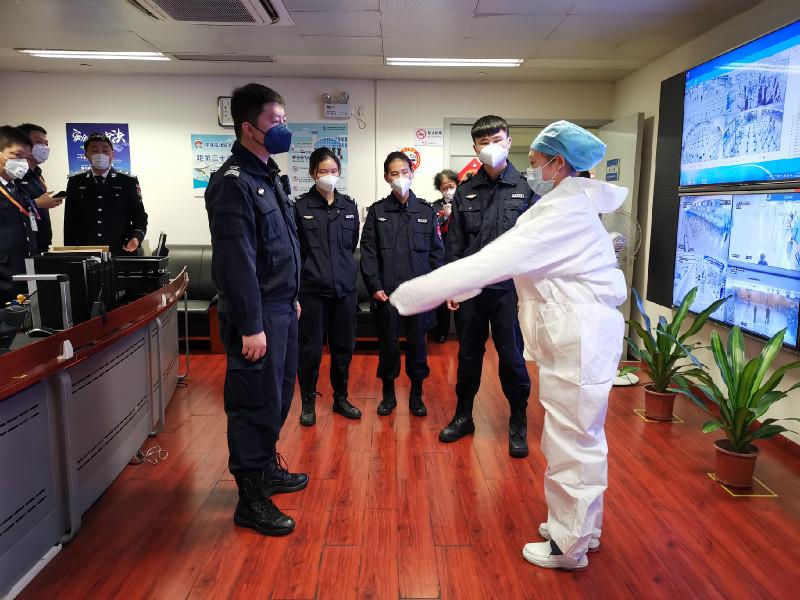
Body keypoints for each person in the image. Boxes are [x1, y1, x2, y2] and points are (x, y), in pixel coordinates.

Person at [390, 120, 626, 571]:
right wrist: (463, 287)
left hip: (580, 339)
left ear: (559, 163)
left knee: (572, 441)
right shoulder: (565, 204)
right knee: (581, 436)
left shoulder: (563, 213)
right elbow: (492, 258)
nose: (531, 169)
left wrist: (412, 295)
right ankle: (581, 528)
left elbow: (493, 259)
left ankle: (569, 546)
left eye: (536, 162)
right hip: (579, 338)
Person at [205, 83, 306, 537]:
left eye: (284, 119)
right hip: (257, 315)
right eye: (275, 121)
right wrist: (250, 325)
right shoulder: (233, 183)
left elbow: (282, 245)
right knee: (252, 403)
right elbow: (237, 260)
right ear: (249, 127)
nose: (283, 128)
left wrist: (293, 294)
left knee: (279, 396)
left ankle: (265, 469)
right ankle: (249, 498)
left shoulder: (270, 175)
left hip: (282, 307)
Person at [441, 115, 532, 458]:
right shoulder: (466, 191)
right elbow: (455, 243)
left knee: (511, 357)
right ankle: (463, 415)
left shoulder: (526, 189)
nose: (491, 147)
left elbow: (537, 242)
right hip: (472, 288)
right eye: (483, 142)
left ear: (508, 142)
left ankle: (518, 420)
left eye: (497, 140)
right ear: (475, 148)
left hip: (509, 290)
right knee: (468, 354)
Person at [360, 151, 444, 416]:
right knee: (388, 346)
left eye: (404, 172)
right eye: (394, 173)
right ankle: (388, 394)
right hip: (387, 294)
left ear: (412, 173)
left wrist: (434, 287)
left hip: (419, 295)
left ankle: (416, 394)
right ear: (387, 177)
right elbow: (368, 252)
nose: (400, 178)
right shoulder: (377, 212)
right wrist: (374, 286)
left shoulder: (427, 211)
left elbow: (437, 253)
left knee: (418, 345)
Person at [294, 147, 362, 425]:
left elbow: (351, 244)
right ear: (313, 173)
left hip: (344, 291)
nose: (329, 176)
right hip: (312, 291)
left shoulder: (349, 207)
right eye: (324, 171)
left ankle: (341, 398)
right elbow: (295, 252)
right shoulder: (299, 208)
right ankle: (308, 401)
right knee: (309, 350)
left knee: (343, 348)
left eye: (334, 171)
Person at [63, 133, 148, 254]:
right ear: (86, 155)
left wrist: (136, 237)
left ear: (112, 155)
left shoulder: (127, 181)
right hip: (86, 250)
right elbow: (70, 220)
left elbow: (139, 216)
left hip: (121, 249)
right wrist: (69, 252)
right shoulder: (76, 181)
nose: (100, 154)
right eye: (95, 151)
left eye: (105, 150)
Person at [0, 126, 36, 304]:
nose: (22, 162)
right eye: (16, 155)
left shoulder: (20, 187)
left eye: (26, 158)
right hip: (3, 277)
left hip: (24, 272)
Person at [17, 123, 61, 254]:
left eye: (46, 144)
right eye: (38, 142)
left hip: (41, 244)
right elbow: (9, 209)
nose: (44, 148)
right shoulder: (12, 174)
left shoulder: (37, 174)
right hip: (22, 247)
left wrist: (46, 202)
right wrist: (36, 203)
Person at [430, 169, 459, 343]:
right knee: (442, 295)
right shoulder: (434, 206)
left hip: (461, 255)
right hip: (442, 255)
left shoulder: (464, 202)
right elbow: (433, 229)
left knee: (463, 293)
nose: (448, 190)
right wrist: (444, 217)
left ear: (457, 184)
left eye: (451, 186)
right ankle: (442, 331)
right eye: (444, 187)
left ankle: (464, 331)